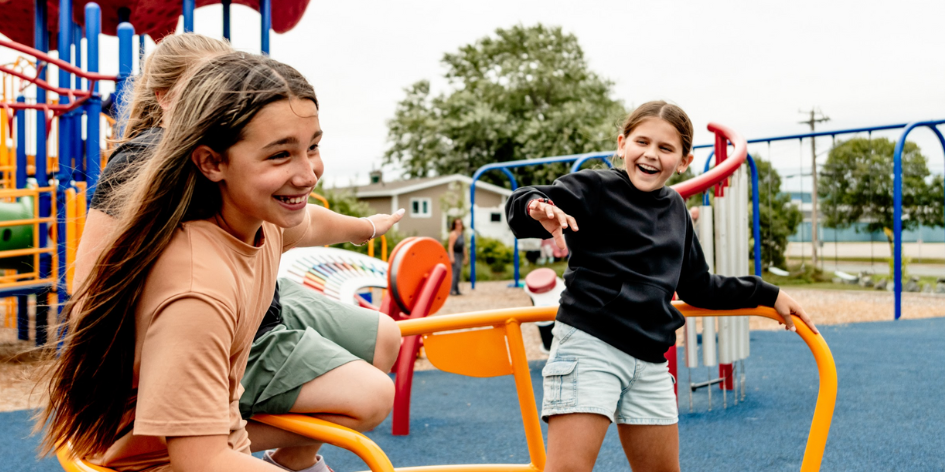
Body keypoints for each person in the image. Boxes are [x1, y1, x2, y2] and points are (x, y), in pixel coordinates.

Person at [38, 52, 404, 472]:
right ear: (212, 162)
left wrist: (367, 227)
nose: (308, 174)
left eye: (313, 147)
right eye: (280, 155)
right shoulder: (197, 291)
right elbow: (203, 461)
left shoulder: (259, 228)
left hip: (217, 444)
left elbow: (311, 225)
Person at [505, 100, 818, 472]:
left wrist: (769, 293)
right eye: (642, 142)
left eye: (666, 148)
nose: (651, 154)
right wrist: (537, 207)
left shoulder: (676, 211)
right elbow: (524, 201)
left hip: (650, 361)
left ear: (683, 161)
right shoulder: (595, 186)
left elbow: (699, 287)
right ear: (622, 144)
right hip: (591, 346)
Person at [447, 217, 468, 295]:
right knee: (455, 273)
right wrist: (451, 257)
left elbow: (464, 247)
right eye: (457, 224)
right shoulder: (453, 234)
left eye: (460, 223)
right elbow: (450, 246)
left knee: (458, 272)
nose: (459, 225)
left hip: (460, 255)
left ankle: (457, 289)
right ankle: (451, 290)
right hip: (454, 254)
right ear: (454, 225)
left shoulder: (462, 234)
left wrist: (466, 257)